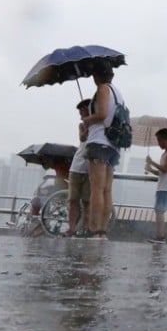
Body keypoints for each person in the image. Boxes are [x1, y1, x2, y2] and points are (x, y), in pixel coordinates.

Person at [81, 59, 124, 239]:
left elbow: (102, 115)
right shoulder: (118, 93)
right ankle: (102, 231)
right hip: (113, 145)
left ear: (95, 76)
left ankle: (93, 229)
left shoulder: (103, 89)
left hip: (99, 142)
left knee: (96, 188)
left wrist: (86, 119)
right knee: (106, 189)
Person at [63, 99, 92, 238]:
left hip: (90, 169)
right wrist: (87, 125)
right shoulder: (82, 125)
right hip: (76, 167)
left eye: (82, 112)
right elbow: (82, 138)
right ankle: (72, 229)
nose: (81, 116)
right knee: (73, 200)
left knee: (87, 201)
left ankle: (86, 229)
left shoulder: (99, 126)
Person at [144, 128, 167, 244]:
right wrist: (151, 169)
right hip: (163, 186)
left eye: (160, 140)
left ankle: (160, 237)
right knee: (159, 211)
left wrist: (152, 162)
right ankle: (159, 236)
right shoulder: (165, 153)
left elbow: (165, 169)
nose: (159, 143)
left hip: (166, 187)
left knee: (159, 211)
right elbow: (161, 173)